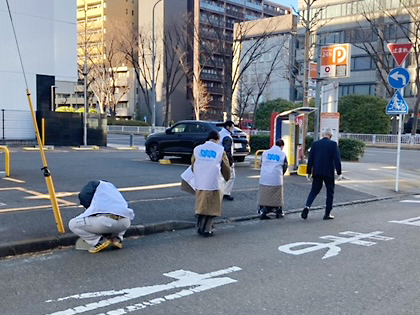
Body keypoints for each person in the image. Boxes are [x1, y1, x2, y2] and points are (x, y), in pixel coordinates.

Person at [69, 180, 134, 253]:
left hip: (106, 223)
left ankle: (98, 242)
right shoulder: (113, 193)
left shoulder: (96, 194)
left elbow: (85, 199)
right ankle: (116, 239)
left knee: (73, 224)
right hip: (125, 223)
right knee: (119, 218)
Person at [192, 130, 231, 237]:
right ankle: (207, 229)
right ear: (218, 139)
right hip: (214, 182)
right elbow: (225, 167)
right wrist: (227, 177)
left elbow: (193, 165)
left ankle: (200, 227)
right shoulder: (220, 150)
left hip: (200, 182)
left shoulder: (197, 149)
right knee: (211, 209)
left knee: (201, 206)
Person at [301, 128, 343, 220]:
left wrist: (308, 172)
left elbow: (310, 158)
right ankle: (327, 213)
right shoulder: (333, 145)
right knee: (330, 192)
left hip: (317, 171)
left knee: (314, 190)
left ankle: (307, 206)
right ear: (331, 136)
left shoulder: (315, 144)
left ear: (322, 135)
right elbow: (337, 159)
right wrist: (339, 172)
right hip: (328, 172)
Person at [258, 139, 288, 220]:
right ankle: (278, 210)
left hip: (264, 178)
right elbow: (285, 166)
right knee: (277, 196)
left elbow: (260, 164)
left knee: (264, 195)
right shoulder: (282, 154)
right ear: (282, 146)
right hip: (276, 178)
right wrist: (281, 174)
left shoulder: (265, 153)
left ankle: (263, 209)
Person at [219, 120, 235, 201]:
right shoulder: (227, 137)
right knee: (231, 176)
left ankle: (220, 192)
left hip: (218, 158)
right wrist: (230, 162)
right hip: (225, 159)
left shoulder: (219, 134)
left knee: (221, 176)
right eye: (232, 127)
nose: (233, 128)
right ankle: (225, 193)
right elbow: (227, 150)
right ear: (228, 127)